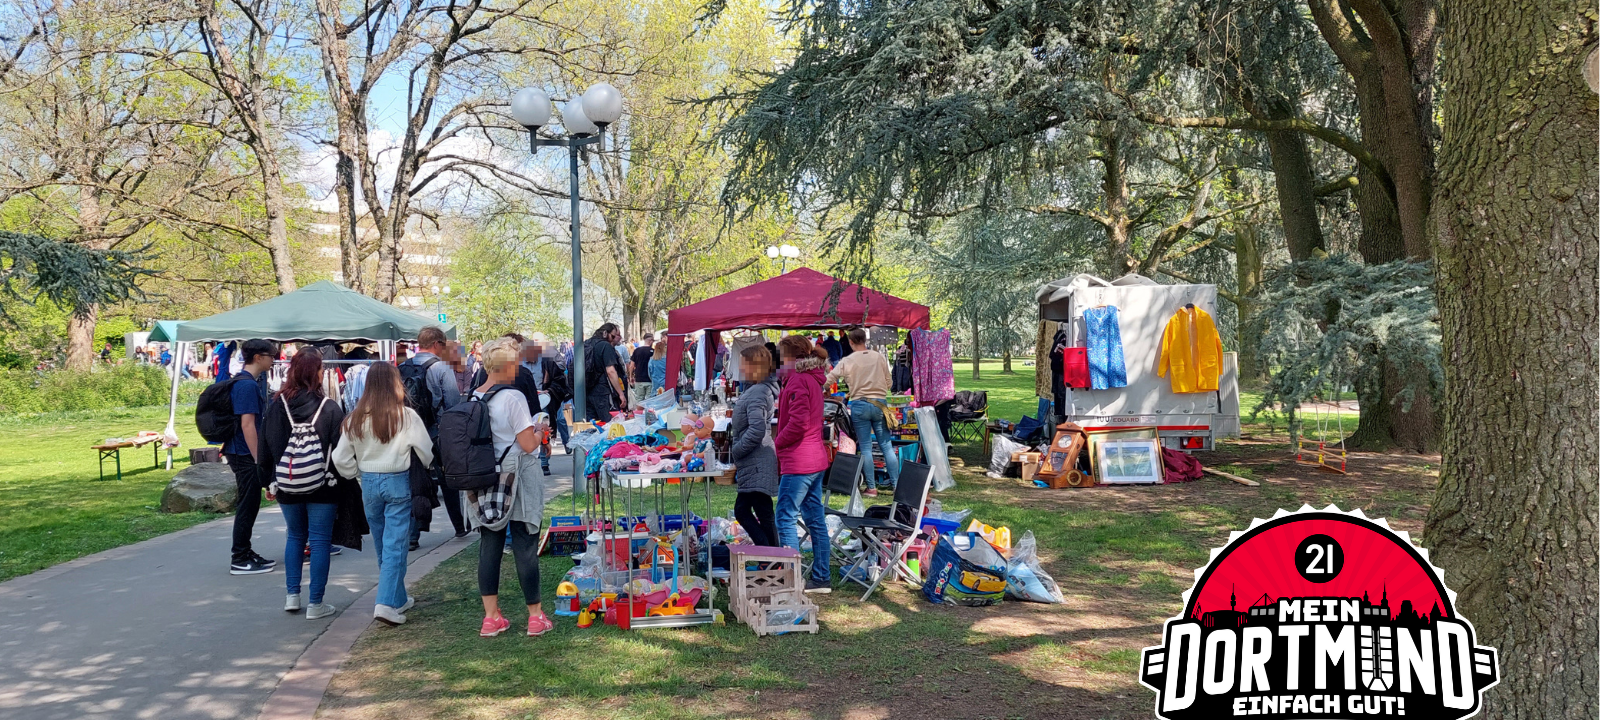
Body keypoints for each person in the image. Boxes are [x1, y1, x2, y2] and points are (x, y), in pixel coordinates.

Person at [331, 362, 434, 626]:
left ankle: (397, 597)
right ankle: (386, 603)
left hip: (369, 482)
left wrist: (357, 475)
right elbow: (426, 451)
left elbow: (340, 457)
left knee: (383, 545)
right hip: (397, 480)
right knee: (395, 546)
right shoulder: (405, 415)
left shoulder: (354, 417)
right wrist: (423, 466)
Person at [465, 338, 554, 638]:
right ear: (508, 366)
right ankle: (535, 615)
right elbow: (528, 444)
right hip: (517, 475)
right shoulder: (512, 398)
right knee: (525, 544)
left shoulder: (474, 396)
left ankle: (491, 617)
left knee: (489, 546)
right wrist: (541, 433)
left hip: (484, 478)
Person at [258, 352, 346, 619]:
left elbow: (266, 447)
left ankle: (292, 596)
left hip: (288, 482)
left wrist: (268, 482)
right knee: (319, 541)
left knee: (295, 536)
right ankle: (316, 603)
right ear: (317, 373)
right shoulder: (330, 407)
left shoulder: (277, 405)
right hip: (323, 484)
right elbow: (341, 450)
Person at [772, 335, 832, 593]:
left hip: (800, 460)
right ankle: (821, 577)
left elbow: (798, 423)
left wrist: (778, 443)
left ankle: (792, 581)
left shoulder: (797, 380)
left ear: (791, 358)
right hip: (814, 457)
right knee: (815, 519)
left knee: (785, 517)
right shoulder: (810, 379)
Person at [402, 327, 466, 546]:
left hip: (409, 430)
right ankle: (460, 525)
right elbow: (453, 403)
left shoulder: (403, 367)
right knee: (449, 479)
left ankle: (412, 536)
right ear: (437, 344)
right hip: (436, 430)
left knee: (415, 481)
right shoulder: (440, 368)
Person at [225, 339, 279, 575]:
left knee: (251, 504)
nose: (273, 360)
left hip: (242, 451)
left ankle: (245, 552)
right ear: (258, 357)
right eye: (271, 356)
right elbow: (248, 425)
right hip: (243, 452)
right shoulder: (246, 386)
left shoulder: (247, 382)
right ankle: (239, 557)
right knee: (247, 505)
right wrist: (259, 459)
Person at [827, 327, 900, 493]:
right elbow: (889, 383)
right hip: (879, 404)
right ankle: (896, 485)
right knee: (886, 446)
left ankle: (871, 488)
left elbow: (830, 378)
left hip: (859, 404)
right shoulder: (879, 357)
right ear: (865, 340)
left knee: (865, 447)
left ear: (851, 342)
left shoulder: (848, 360)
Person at [729, 345, 780, 547]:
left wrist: (738, 450)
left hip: (756, 459)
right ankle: (770, 554)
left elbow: (757, 428)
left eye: (743, 363)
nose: (740, 367)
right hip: (755, 460)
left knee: (749, 510)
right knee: (760, 511)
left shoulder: (759, 391)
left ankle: (769, 553)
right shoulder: (756, 389)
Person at [581, 323, 626, 422]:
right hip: (603, 392)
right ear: (606, 333)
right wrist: (621, 393)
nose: (614, 338)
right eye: (613, 336)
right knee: (609, 425)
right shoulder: (605, 346)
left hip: (586, 391)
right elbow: (611, 371)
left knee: (591, 426)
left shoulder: (586, 344)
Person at [627, 333, 655, 409]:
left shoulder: (637, 351)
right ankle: (649, 417)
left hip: (639, 379)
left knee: (639, 400)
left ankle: (639, 416)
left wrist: (630, 376)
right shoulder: (653, 351)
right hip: (650, 379)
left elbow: (632, 365)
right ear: (650, 341)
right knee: (649, 400)